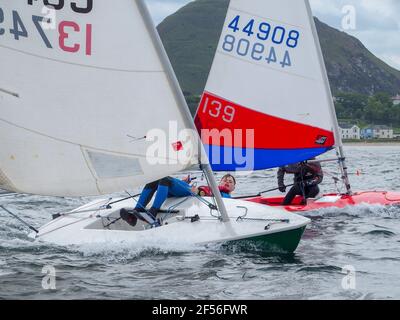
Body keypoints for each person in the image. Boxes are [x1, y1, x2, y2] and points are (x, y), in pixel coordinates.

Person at [120, 174, 236, 227]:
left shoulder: (225, 196)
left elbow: (204, 192)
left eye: (230, 182)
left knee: (164, 179)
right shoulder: (212, 187)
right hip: (184, 193)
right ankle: (135, 213)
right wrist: (185, 183)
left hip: (192, 193)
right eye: (224, 180)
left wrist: (199, 191)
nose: (227, 182)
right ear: (219, 182)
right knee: (155, 179)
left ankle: (152, 213)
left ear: (233, 188)